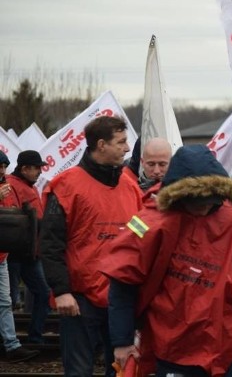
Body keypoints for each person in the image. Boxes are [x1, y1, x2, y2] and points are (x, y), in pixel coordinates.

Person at [103, 144, 232, 377]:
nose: (204, 208)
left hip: (231, 342)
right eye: (197, 203)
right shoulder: (152, 222)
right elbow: (123, 282)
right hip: (174, 347)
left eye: (210, 201)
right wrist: (122, 340)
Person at [40, 115, 142, 377]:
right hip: (79, 299)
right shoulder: (65, 185)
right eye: (120, 142)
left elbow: (142, 241)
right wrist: (61, 291)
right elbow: (50, 244)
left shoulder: (131, 186)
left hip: (120, 298)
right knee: (78, 371)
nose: (127, 148)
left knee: (121, 370)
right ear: (101, 144)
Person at [6, 150, 51, 344]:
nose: (40, 172)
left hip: (29, 253)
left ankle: (34, 338)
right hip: (16, 253)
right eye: (37, 168)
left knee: (40, 294)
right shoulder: (12, 186)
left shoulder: (26, 186)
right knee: (10, 299)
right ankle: (23, 339)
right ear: (24, 169)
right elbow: (14, 219)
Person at [0, 150, 40, 362]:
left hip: (2, 256)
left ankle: (11, 345)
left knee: (5, 302)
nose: (2, 170)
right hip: (5, 256)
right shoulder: (7, 188)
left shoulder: (7, 187)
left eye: (4, 166)